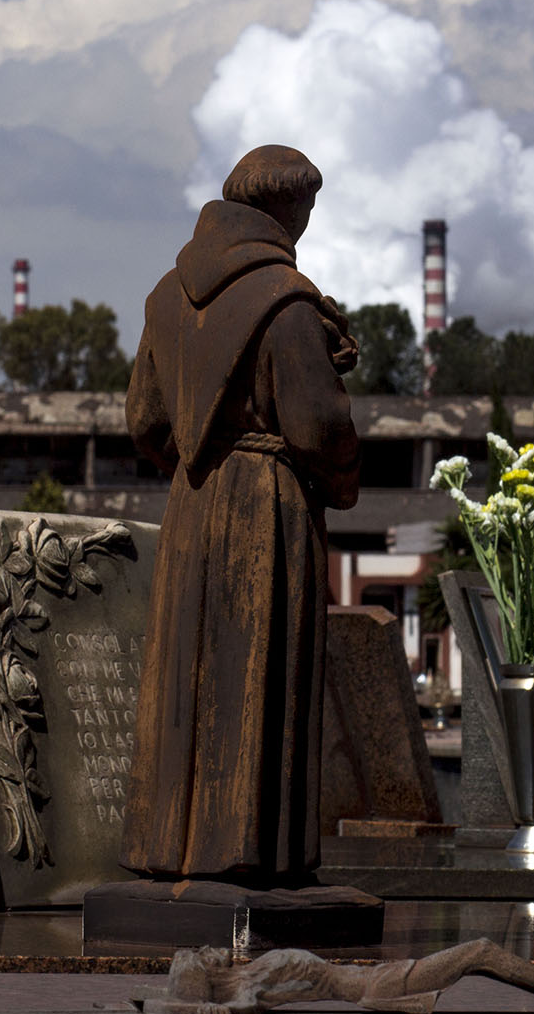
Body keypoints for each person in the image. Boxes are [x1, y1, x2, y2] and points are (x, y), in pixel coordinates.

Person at [120, 145, 361, 881]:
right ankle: (252, 854)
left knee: (186, 676)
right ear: (286, 209)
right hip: (268, 506)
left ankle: (168, 846)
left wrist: (200, 466)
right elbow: (318, 424)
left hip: (192, 506)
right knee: (255, 674)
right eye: (308, 210)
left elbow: (143, 420)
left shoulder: (168, 297)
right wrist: (341, 477)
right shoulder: (286, 301)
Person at [150, 939, 534, 1014]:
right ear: (206, 977)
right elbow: (252, 1010)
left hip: (376, 979)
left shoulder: (249, 968)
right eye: (198, 958)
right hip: (376, 989)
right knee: (479, 950)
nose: (207, 950)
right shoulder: (248, 989)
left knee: (477, 952)